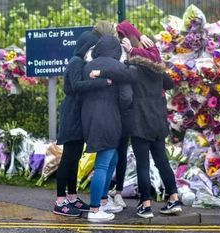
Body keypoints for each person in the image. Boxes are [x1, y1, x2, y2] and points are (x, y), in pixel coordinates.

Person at [91, 36, 182, 219]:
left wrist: (99, 73)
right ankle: (174, 199)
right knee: (162, 161)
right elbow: (170, 84)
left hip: (141, 121)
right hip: (158, 121)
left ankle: (145, 205)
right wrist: (158, 61)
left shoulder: (133, 67)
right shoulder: (156, 68)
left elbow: (120, 75)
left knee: (143, 164)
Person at [54, 22, 115, 217]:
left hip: (79, 115)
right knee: (68, 158)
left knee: (75, 158)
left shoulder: (81, 62)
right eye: (92, 48)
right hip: (72, 115)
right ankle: (60, 200)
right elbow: (76, 86)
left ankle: (72, 197)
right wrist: (101, 82)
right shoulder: (76, 62)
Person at [108, 20, 160, 209]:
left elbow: (155, 60)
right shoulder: (120, 52)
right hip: (133, 111)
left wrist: (139, 38)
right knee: (119, 152)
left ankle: (119, 193)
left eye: (119, 34)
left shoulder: (136, 54)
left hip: (129, 111)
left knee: (122, 152)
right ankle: (115, 194)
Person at [81, 35, 133, 222]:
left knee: (113, 158)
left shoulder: (87, 66)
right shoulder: (119, 67)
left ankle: (103, 200)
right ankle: (95, 210)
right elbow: (126, 98)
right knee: (103, 164)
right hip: (110, 119)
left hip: (89, 118)